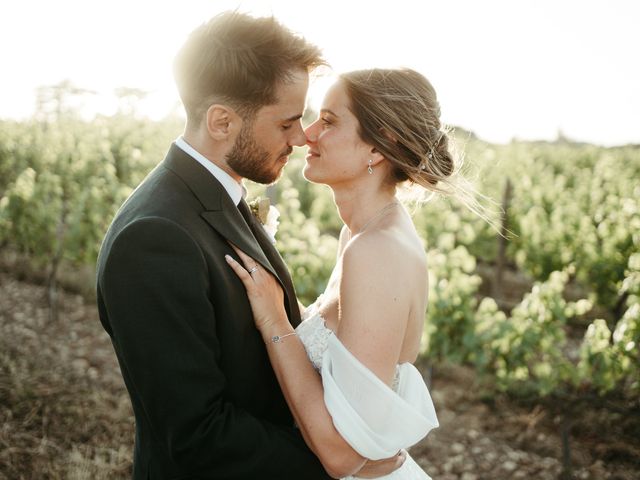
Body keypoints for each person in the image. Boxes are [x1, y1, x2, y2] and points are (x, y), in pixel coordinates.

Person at [96, 12, 403, 479]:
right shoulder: (154, 239)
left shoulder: (219, 195)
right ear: (221, 122)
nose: (301, 138)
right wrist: (337, 466)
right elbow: (199, 435)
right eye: (286, 123)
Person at [226, 68, 458, 479]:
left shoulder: (376, 251)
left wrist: (273, 319)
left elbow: (340, 455)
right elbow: (332, 344)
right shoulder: (360, 234)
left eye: (329, 121)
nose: (307, 133)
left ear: (379, 146)